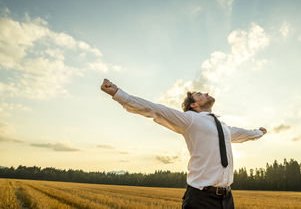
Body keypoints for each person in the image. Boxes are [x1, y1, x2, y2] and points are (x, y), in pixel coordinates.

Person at [101, 78, 267, 209]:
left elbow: (244, 133)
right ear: (194, 105)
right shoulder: (190, 120)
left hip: (227, 199)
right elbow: (155, 110)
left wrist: (259, 132)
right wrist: (117, 93)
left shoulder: (224, 128)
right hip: (201, 199)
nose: (206, 93)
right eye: (200, 94)